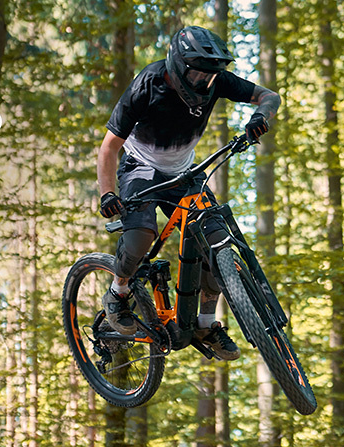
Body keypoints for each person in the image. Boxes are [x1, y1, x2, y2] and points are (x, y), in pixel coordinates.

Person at [97, 26, 280, 361]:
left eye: (209, 76)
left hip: (185, 174)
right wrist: (108, 193)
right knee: (139, 238)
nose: (203, 81)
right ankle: (118, 293)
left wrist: (260, 117)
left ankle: (205, 324)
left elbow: (270, 96)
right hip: (141, 168)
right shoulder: (148, 83)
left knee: (217, 242)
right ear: (178, 66)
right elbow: (109, 147)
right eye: (196, 73)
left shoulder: (217, 81)